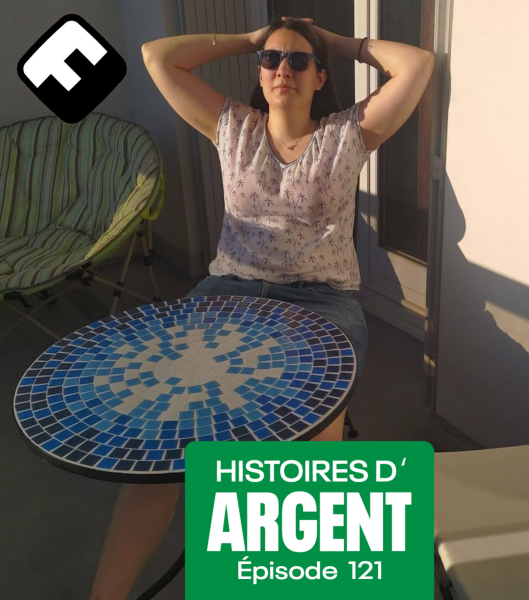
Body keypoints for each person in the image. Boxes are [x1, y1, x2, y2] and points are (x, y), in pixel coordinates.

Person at [89, 16, 433, 600]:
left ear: (320, 77)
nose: (282, 69)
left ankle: (288, 575)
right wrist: (252, 39)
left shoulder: (347, 135)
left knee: (309, 449)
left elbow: (417, 64)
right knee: (161, 445)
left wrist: (335, 42)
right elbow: (156, 56)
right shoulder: (233, 127)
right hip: (229, 292)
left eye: (299, 61)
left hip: (321, 302)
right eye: (272, 59)